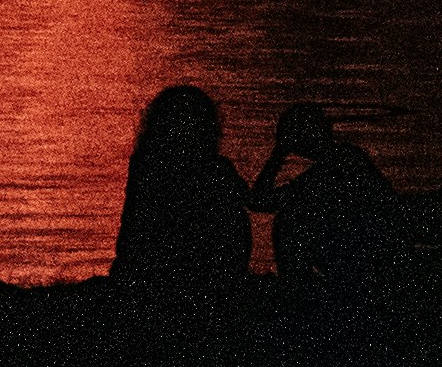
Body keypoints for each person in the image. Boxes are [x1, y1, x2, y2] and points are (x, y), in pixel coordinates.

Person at [111, 82, 255, 295]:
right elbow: (256, 201)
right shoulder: (215, 169)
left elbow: (132, 222)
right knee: (234, 215)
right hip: (201, 268)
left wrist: (124, 267)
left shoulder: (145, 164)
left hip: (151, 267)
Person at [257, 101, 401, 306]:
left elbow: (260, 201)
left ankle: (297, 297)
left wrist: (278, 155)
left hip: (361, 260)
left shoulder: (336, 167)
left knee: (287, 220)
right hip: (370, 255)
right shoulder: (347, 158)